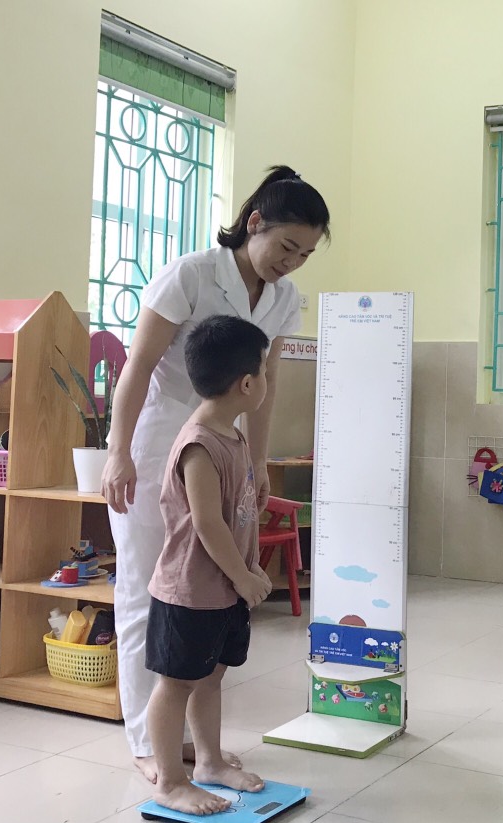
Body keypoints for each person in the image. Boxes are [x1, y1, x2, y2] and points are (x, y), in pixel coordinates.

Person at [102, 166, 330, 782]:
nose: (291, 262)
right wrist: (118, 452)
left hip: (224, 445)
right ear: (254, 223)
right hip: (158, 442)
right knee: (149, 590)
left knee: (205, 592)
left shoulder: (283, 298)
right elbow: (138, 366)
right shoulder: (192, 274)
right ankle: (148, 742)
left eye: (305, 255)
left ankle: (195, 745)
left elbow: (266, 385)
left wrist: (257, 463)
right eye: (286, 246)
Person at [146, 315, 273, 815]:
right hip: (189, 592)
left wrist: (249, 571)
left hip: (224, 589)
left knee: (212, 677)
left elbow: (238, 518)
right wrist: (242, 575)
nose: (266, 380)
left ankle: (210, 763)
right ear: (247, 384)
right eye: (264, 371)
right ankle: (170, 782)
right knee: (176, 683)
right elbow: (207, 524)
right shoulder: (199, 445)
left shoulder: (233, 437)